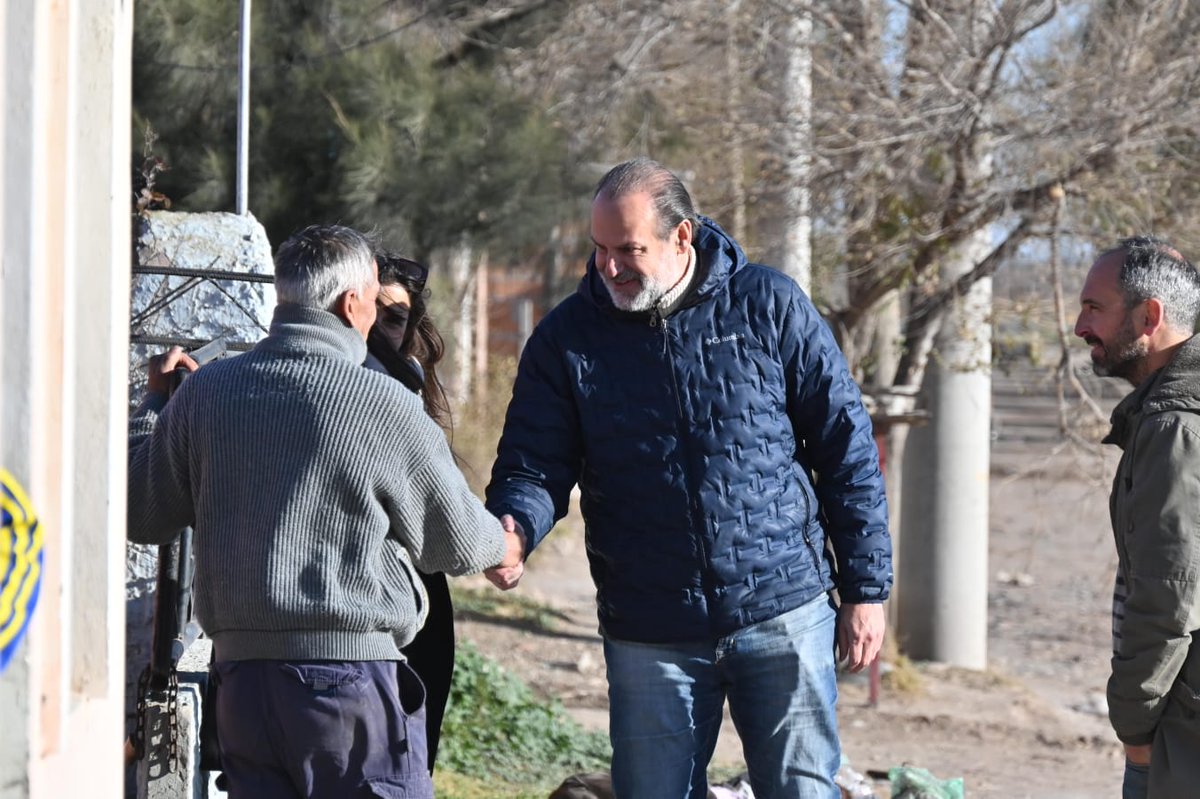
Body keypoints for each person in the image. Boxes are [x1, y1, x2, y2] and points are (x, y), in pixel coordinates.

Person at [484, 158, 892, 799]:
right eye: (598, 249)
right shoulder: (566, 339)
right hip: (649, 626)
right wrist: (515, 529)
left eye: (627, 250)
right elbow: (533, 464)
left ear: (682, 236)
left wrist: (865, 589)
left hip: (783, 610)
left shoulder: (769, 304)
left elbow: (847, 450)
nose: (607, 267)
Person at [127, 224, 523, 799]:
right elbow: (457, 542)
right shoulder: (382, 404)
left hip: (242, 688)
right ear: (351, 302)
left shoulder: (204, 394)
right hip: (348, 689)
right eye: (373, 301)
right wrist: (507, 544)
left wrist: (154, 403)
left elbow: (141, 512)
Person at [1074, 235, 1200, 799]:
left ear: (1149, 317)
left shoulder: (1175, 428)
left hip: (1180, 735)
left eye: (1094, 308)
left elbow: (1166, 596)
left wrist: (1135, 724)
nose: (1080, 326)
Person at [364, 251, 456, 772]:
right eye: (370, 310)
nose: (378, 328)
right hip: (354, 620)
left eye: (395, 317)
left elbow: (446, 525)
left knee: (412, 758)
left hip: (417, 597)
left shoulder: (409, 391)